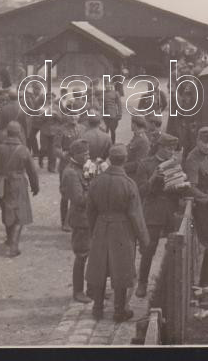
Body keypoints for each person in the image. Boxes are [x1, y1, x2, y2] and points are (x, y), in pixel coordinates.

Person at [86, 144, 149, 321]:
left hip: (101, 226)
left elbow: (90, 211)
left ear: (110, 159)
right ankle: (119, 310)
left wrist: (94, 229)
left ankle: (97, 308)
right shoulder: (129, 184)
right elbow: (136, 214)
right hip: (122, 230)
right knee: (121, 268)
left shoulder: (96, 181)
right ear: (125, 160)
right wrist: (144, 239)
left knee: (99, 267)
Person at [133, 133, 181, 298]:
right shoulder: (145, 164)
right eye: (168, 148)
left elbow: (179, 188)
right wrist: (153, 178)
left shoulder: (175, 163)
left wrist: (179, 183)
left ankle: (168, 283)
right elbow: (140, 191)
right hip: (153, 211)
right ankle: (142, 283)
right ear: (160, 147)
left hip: (171, 210)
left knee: (174, 248)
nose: (171, 152)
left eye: (173, 149)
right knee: (148, 249)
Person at [0, 121, 40, 257]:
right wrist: (35, 186)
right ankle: (14, 245)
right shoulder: (24, 150)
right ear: (19, 133)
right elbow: (32, 171)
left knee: (6, 210)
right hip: (19, 184)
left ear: (7, 133)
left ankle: (9, 239)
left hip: (3, 183)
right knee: (19, 214)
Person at [183, 127, 208, 289]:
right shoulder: (193, 159)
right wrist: (207, 199)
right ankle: (205, 282)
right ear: (198, 141)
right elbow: (191, 188)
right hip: (203, 206)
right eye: (205, 143)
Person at [62, 139, 93, 303]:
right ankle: (78, 291)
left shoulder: (84, 167)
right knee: (81, 255)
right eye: (85, 154)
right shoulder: (71, 173)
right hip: (81, 219)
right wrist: (96, 190)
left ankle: (93, 289)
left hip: (89, 218)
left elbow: (91, 180)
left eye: (88, 153)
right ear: (76, 154)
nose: (88, 156)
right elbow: (79, 199)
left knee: (92, 254)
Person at [54, 114, 84, 230]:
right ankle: (64, 222)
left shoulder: (83, 128)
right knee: (65, 194)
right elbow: (56, 148)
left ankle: (73, 220)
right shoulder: (61, 130)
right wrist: (63, 155)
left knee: (78, 192)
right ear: (66, 116)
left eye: (76, 115)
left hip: (80, 165)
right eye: (71, 115)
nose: (73, 117)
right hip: (66, 165)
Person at [101, 78, 123, 144]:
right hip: (105, 116)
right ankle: (105, 145)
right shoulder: (103, 93)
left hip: (113, 116)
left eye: (109, 84)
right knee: (105, 131)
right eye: (106, 84)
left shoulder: (115, 93)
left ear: (111, 85)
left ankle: (113, 144)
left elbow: (119, 105)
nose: (107, 86)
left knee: (113, 131)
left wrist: (119, 114)